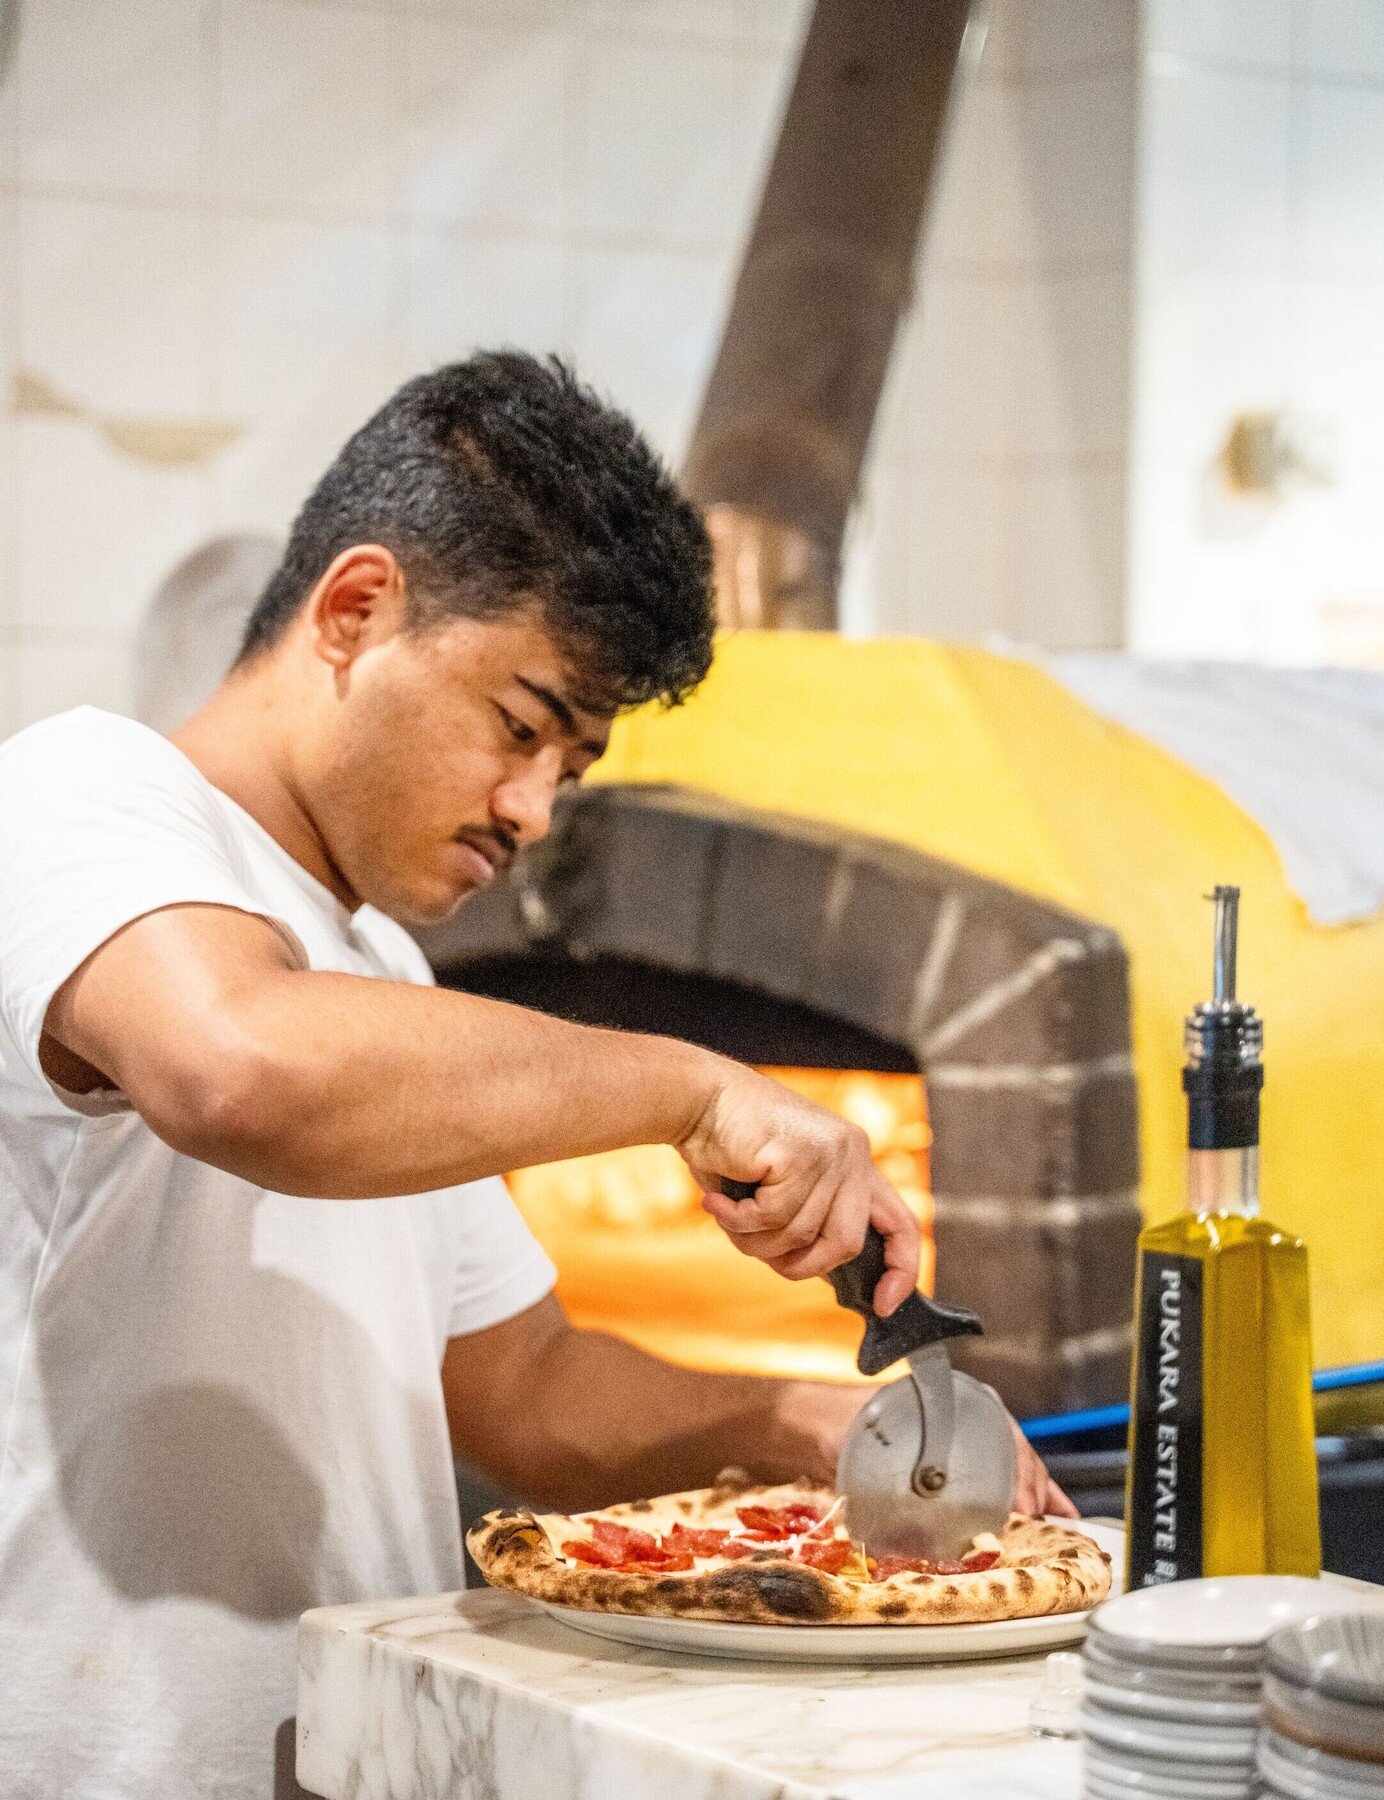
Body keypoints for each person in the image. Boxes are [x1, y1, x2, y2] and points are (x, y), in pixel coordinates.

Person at [0, 353, 1070, 1799]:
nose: (531, 810)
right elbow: (237, 1071)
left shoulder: (384, 981)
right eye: (520, 726)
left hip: (358, 1752)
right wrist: (699, 1089)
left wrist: (797, 1425)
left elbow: (529, 1391)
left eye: (572, 764)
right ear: (357, 609)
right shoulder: (79, 797)